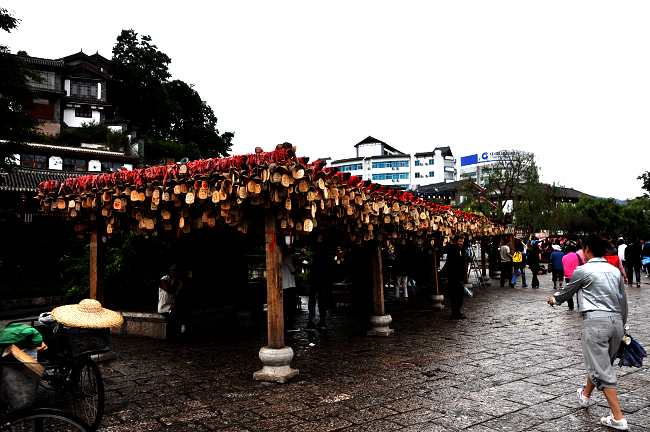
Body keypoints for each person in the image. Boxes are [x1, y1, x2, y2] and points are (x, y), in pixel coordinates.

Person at [547, 235, 629, 430]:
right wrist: (623, 327)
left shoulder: (583, 270)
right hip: (617, 322)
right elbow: (623, 300)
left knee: (602, 368)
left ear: (588, 250)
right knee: (601, 363)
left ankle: (618, 417)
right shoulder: (614, 271)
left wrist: (553, 300)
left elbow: (566, 292)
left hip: (596, 324)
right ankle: (585, 395)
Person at [442, 235, 466, 319]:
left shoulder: (461, 250)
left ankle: (457, 312)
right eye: (460, 241)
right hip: (454, 277)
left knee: (460, 296)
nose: (461, 243)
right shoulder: (452, 250)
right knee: (455, 296)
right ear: (456, 241)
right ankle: (455, 313)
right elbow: (451, 264)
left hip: (460, 277)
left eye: (462, 242)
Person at [159, 264, 183, 339]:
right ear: (169, 271)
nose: (174, 272)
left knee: (178, 311)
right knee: (174, 312)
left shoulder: (179, 282)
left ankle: (177, 333)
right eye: (173, 270)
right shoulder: (164, 278)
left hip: (171, 306)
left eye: (176, 271)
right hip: (163, 306)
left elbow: (176, 294)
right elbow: (170, 290)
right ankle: (173, 335)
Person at [561, 243, 583, 311]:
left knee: (569, 292)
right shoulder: (577, 256)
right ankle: (579, 305)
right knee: (579, 291)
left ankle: (571, 306)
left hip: (568, 277)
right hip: (577, 275)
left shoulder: (564, 257)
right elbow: (582, 264)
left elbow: (563, 266)